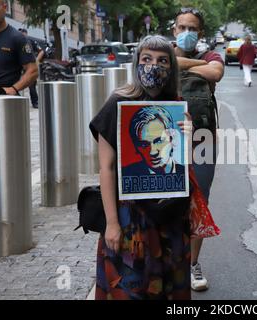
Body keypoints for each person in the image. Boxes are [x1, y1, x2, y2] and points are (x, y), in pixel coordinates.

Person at [89, 35, 195, 300]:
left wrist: (188, 139)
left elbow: (183, 167)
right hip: (131, 221)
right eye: (146, 59)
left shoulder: (176, 105)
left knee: (169, 290)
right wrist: (112, 223)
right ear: (136, 62)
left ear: (171, 67)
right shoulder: (117, 103)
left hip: (170, 218)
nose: (153, 66)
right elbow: (106, 168)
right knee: (130, 287)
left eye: (162, 61)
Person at [173, 7, 224, 292]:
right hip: (165, 140)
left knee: (198, 201)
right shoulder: (161, 53)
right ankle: (168, 261)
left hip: (203, 140)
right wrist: (191, 66)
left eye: (192, 28)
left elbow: (215, 73)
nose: (186, 33)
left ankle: (191, 263)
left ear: (200, 33)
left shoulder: (211, 57)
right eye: (182, 27)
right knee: (165, 200)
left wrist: (179, 63)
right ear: (174, 30)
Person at [0, 0, 38, 96]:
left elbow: (33, 71)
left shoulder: (17, 38)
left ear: (5, 8)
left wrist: (14, 88)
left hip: (5, 103)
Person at [122, 106, 185, 177]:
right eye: (144, 145)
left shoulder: (186, 173)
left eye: (159, 141)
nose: (153, 152)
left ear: (172, 139)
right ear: (136, 148)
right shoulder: (126, 174)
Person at [19, 28, 44, 108]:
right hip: (18, 66)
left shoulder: (30, 41)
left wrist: (36, 60)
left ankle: (35, 102)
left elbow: (41, 51)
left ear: (26, 34)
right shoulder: (15, 41)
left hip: (29, 66)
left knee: (31, 85)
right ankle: (17, 101)